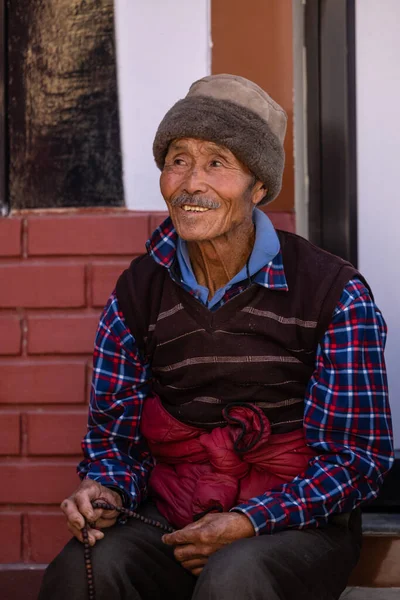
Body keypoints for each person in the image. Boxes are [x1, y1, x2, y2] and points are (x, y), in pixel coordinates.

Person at [38, 74, 393, 600]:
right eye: (179, 160)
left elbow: (356, 459)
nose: (191, 184)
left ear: (259, 187)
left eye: (217, 163)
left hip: (296, 522)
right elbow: (114, 441)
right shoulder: (138, 293)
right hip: (174, 509)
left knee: (236, 578)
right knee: (84, 569)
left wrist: (249, 521)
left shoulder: (333, 293)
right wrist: (103, 487)